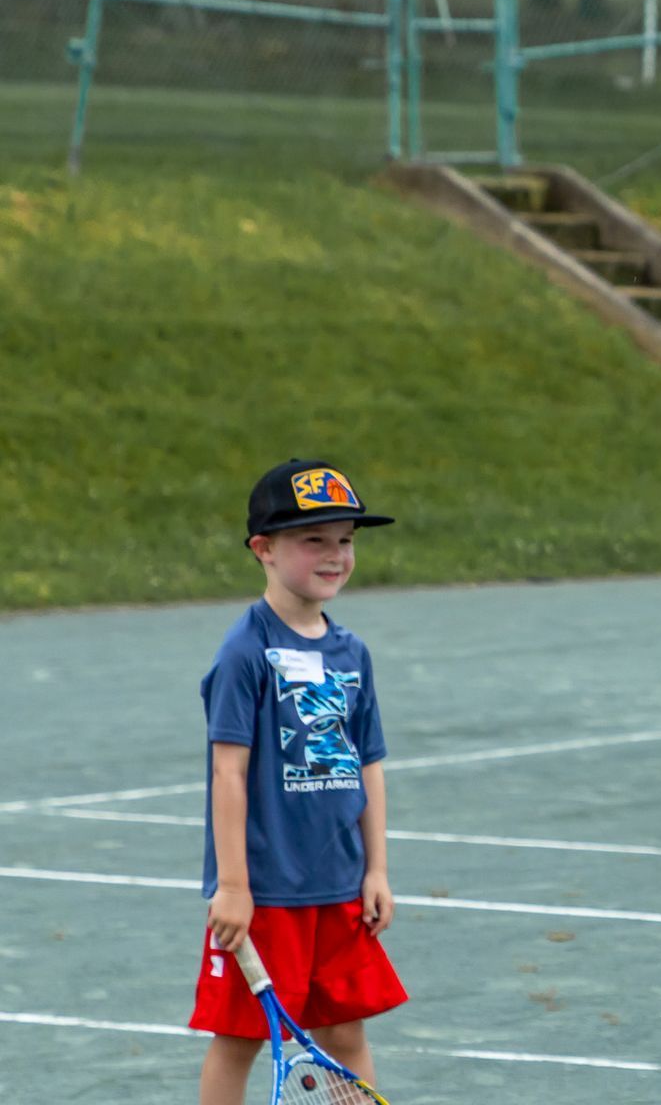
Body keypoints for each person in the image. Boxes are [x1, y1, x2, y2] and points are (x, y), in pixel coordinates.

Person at [193, 460, 407, 1105]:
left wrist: (377, 870)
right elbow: (227, 770)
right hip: (265, 893)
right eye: (313, 540)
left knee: (345, 1031)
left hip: (339, 885)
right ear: (263, 549)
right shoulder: (244, 652)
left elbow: (368, 763)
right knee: (239, 1039)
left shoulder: (351, 652)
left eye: (345, 539)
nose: (335, 555)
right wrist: (233, 886)